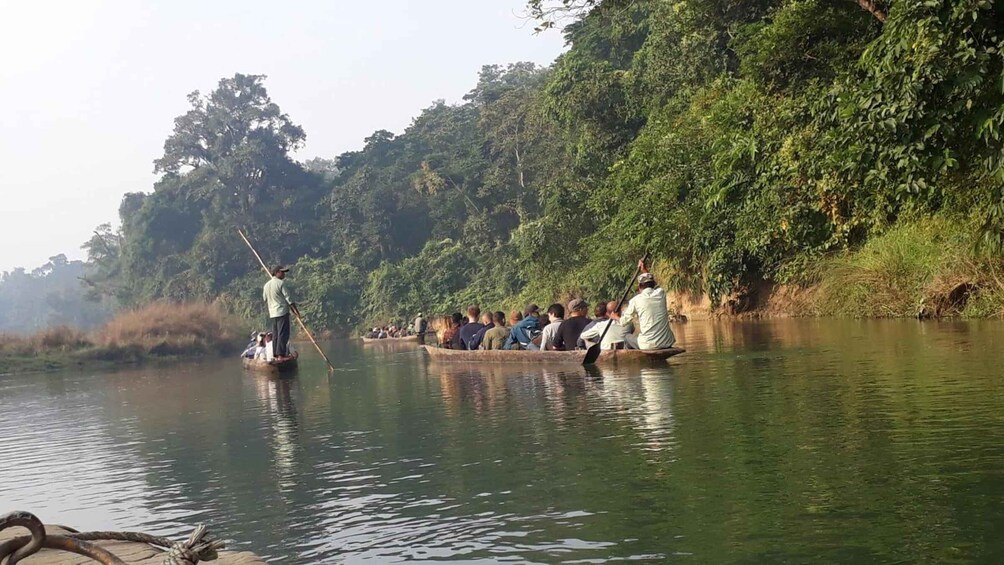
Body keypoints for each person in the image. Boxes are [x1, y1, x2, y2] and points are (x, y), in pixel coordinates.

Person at [620, 260, 676, 349]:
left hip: (647, 345)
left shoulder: (636, 300)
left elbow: (623, 322)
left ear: (639, 287)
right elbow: (655, 285)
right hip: (667, 342)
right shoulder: (661, 293)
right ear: (653, 284)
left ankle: (632, 361)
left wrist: (614, 316)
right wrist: (645, 271)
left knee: (627, 337)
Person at [262, 265, 298, 360]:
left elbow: (265, 299)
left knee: (276, 334)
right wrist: (296, 311)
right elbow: (289, 299)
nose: (284, 274)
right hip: (282, 312)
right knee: (283, 334)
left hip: (273, 313)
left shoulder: (266, 285)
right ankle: (281, 355)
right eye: (282, 272)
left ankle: (276, 355)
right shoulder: (281, 283)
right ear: (277, 272)